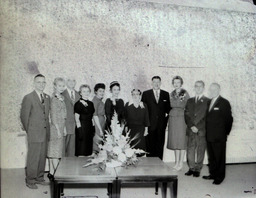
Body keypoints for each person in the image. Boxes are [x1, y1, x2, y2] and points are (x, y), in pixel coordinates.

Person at [20, 74, 50, 189]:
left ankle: (39, 177)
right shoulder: (28, 97)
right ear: (34, 83)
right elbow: (24, 117)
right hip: (34, 133)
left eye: (43, 82)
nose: (41, 84)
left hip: (44, 132)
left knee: (42, 156)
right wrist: (30, 131)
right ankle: (30, 180)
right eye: (39, 82)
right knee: (33, 157)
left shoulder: (47, 97)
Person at [203, 83, 233, 185]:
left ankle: (220, 177)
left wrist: (225, 133)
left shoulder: (224, 102)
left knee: (219, 157)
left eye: (215, 89)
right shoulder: (209, 102)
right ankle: (213, 174)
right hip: (209, 136)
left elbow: (229, 120)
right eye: (211, 89)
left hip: (219, 136)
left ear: (219, 89)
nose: (213, 91)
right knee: (211, 157)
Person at [142, 76, 171, 160]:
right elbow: (144, 110)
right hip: (150, 125)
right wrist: (145, 125)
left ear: (160, 83)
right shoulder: (146, 94)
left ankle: (159, 164)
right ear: (152, 83)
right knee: (150, 145)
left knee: (160, 145)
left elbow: (168, 110)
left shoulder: (165, 94)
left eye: (158, 82)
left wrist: (165, 123)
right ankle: (150, 163)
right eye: (154, 82)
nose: (156, 84)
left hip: (161, 125)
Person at [184, 81, 210, 177]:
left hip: (201, 130)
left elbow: (207, 117)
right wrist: (191, 126)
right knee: (190, 149)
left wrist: (197, 127)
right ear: (194, 88)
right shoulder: (189, 101)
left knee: (200, 150)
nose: (198, 88)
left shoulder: (208, 101)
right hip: (191, 130)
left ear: (203, 88)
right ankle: (191, 168)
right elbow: (186, 115)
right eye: (196, 86)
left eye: (200, 86)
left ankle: (197, 169)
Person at [167, 76, 190, 171]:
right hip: (173, 117)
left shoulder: (185, 93)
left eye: (178, 82)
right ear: (173, 83)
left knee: (181, 140)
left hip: (182, 117)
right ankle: (176, 162)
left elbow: (188, 106)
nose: (176, 84)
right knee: (175, 140)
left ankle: (181, 163)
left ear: (181, 83)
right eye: (175, 82)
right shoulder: (171, 93)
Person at [47, 77, 67, 181]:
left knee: (53, 151)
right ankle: (58, 177)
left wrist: (63, 128)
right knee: (55, 153)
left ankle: (51, 173)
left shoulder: (61, 97)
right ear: (55, 86)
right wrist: (59, 130)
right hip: (55, 127)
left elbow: (63, 114)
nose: (62, 88)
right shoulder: (54, 99)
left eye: (63, 86)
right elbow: (54, 116)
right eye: (59, 86)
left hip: (60, 125)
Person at [74, 85, 95, 156]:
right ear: (80, 93)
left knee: (88, 151)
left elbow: (92, 117)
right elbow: (77, 119)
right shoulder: (78, 104)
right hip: (82, 128)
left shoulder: (91, 103)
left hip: (89, 128)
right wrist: (79, 130)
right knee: (81, 151)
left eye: (87, 91)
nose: (86, 93)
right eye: (84, 91)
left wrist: (93, 127)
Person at [62, 77, 80, 156]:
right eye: (69, 80)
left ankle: (70, 167)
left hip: (75, 125)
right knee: (63, 148)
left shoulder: (78, 94)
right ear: (66, 82)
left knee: (72, 149)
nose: (72, 82)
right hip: (65, 125)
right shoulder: (62, 94)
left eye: (73, 81)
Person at [92, 83, 106, 154]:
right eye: (100, 91)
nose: (102, 93)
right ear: (96, 91)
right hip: (98, 123)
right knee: (96, 142)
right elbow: (95, 116)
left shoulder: (100, 100)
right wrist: (99, 129)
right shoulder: (95, 101)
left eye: (103, 91)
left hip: (102, 122)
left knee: (100, 142)